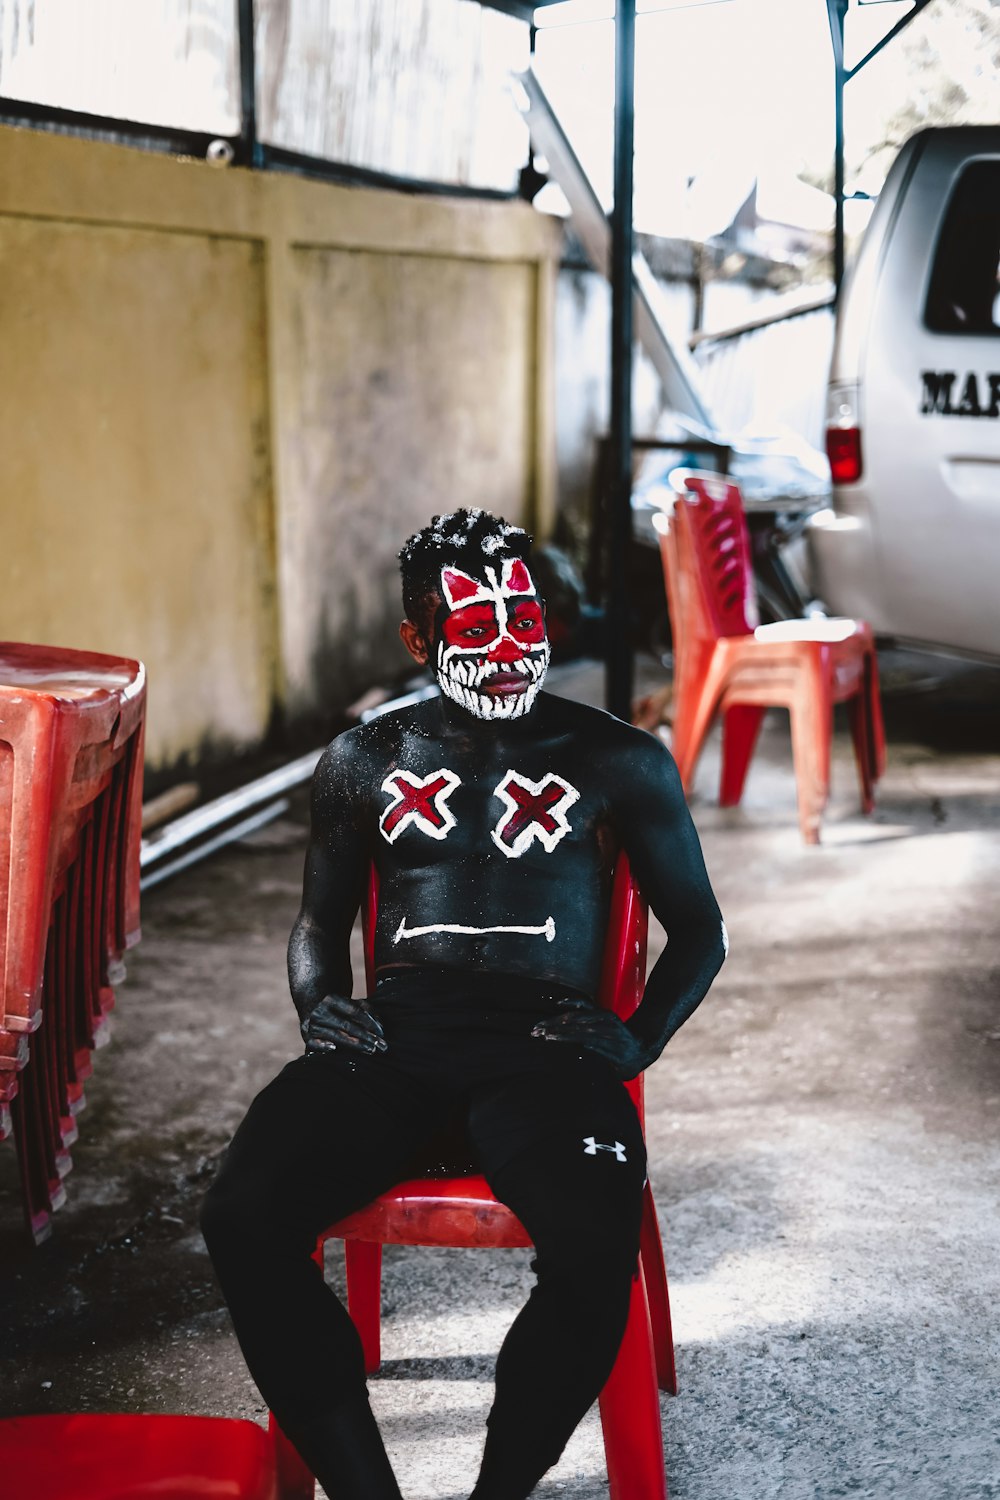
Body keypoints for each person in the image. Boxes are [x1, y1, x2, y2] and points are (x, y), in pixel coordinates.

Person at [201, 508, 726, 1500]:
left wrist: (637, 1041)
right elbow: (318, 924)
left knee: (591, 1245)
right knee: (242, 1215)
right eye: (473, 624)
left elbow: (698, 929)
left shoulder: (618, 759)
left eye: (521, 614)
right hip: (393, 1041)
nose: (508, 643)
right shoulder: (366, 758)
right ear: (417, 639)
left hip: (547, 1049)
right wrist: (320, 1002)